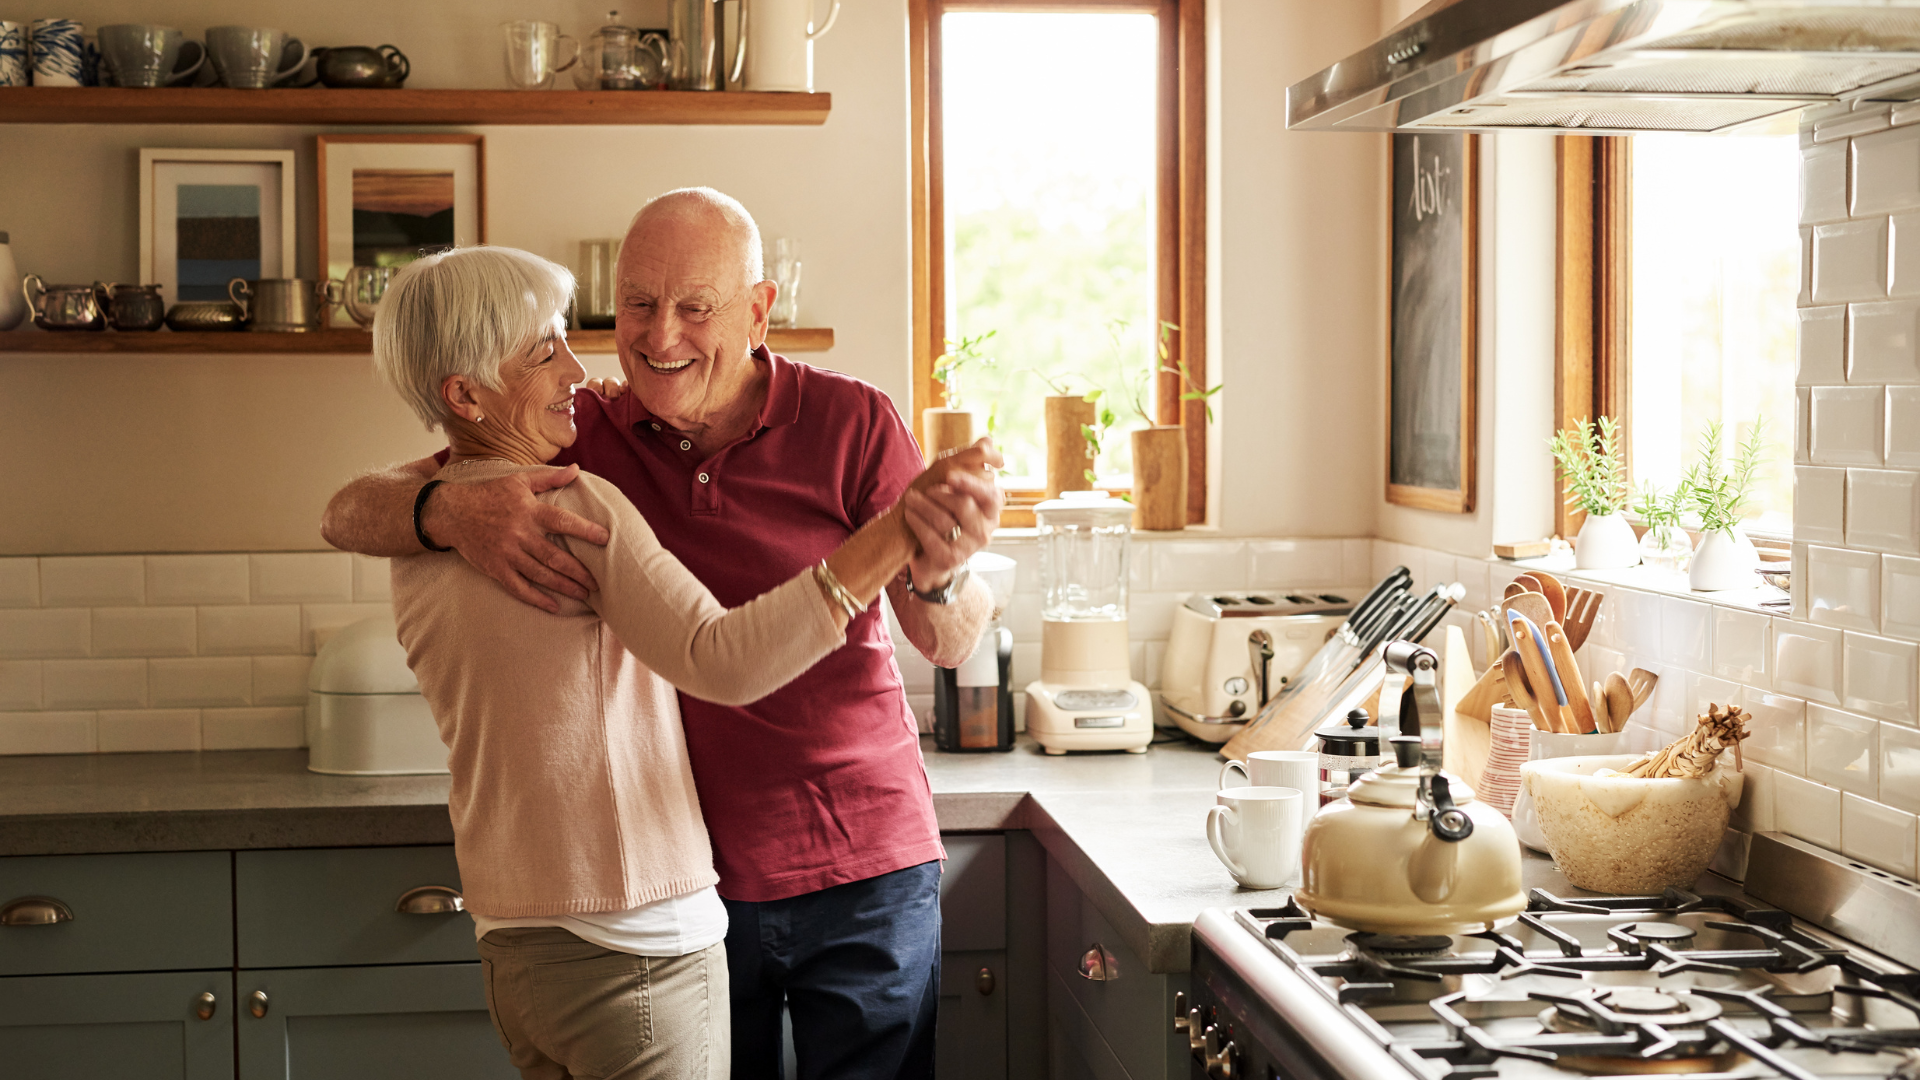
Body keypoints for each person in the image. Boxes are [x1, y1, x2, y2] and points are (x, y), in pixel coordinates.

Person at [322, 188, 1003, 1079]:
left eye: (695, 307)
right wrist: (446, 510)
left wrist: (944, 563)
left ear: (760, 311)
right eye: (639, 302)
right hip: (687, 883)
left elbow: (946, 640)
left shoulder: (853, 421)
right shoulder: (578, 435)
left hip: (860, 862)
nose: (659, 335)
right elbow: (346, 510)